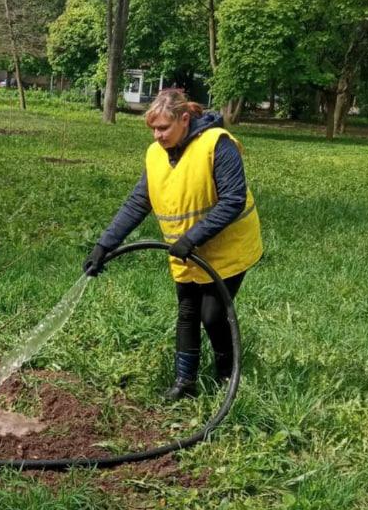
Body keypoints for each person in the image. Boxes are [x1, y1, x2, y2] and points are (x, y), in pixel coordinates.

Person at [82, 89, 263, 401]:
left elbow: (233, 200)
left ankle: (226, 379)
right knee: (188, 311)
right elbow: (139, 202)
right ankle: (185, 382)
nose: (157, 135)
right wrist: (105, 245)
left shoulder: (216, 144)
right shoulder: (155, 154)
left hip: (228, 248)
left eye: (163, 128)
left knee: (212, 315)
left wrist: (192, 238)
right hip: (186, 252)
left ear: (184, 119)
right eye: (153, 129)